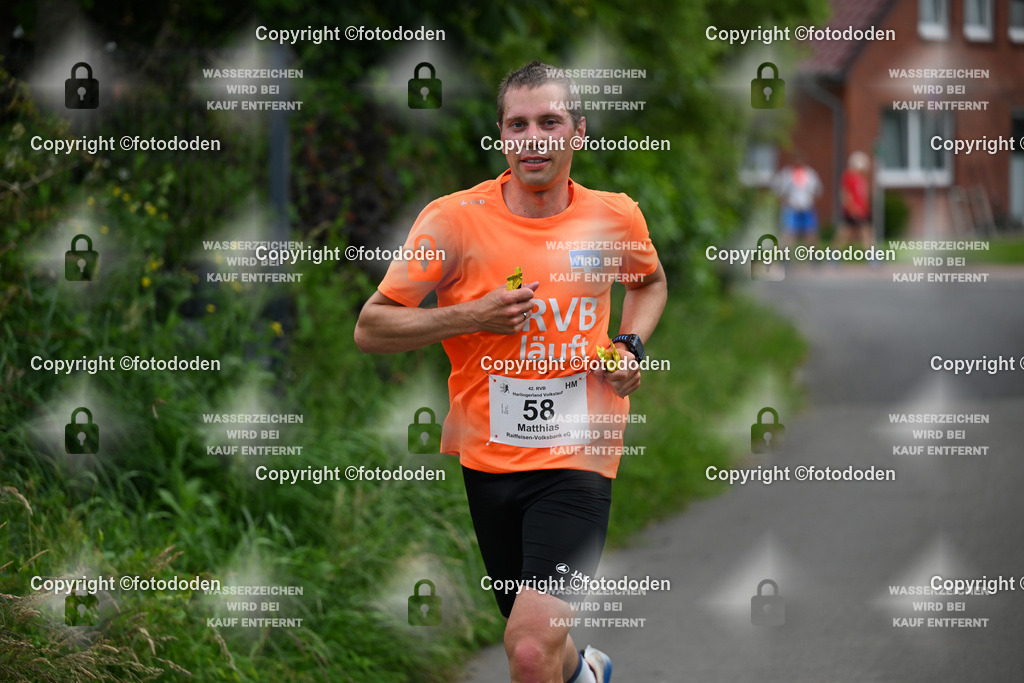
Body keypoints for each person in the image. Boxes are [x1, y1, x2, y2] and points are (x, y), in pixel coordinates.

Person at [354, 60, 667, 683]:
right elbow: (372, 327)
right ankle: (587, 672)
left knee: (526, 649)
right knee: (540, 648)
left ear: (577, 132)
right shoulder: (453, 221)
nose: (533, 138)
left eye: (549, 122)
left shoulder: (614, 217)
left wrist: (629, 344)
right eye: (518, 124)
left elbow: (650, 283)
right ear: (502, 136)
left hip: (582, 456)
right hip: (489, 457)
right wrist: (472, 315)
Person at [770, 154, 823, 246]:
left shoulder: (810, 174)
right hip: (792, 207)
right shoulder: (786, 174)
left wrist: (812, 200)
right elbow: (777, 188)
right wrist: (782, 199)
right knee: (789, 232)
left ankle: (814, 255)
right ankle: (784, 255)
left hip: (807, 207)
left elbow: (818, 189)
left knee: (810, 232)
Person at [835, 151, 872, 250]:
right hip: (854, 211)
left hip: (861, 210)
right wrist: (852, 209)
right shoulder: (849, 177)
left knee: (860, 233)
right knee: (848, 234)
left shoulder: (861, 178)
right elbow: (847, 195)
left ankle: (872, 255)